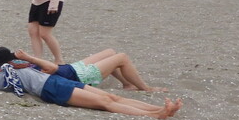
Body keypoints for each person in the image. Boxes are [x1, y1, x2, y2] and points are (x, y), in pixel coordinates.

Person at [0, 60, 182, 119]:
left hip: (56, 81)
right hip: (52, 90)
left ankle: (155, 109)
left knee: (111, 95)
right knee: (106, 103)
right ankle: (155, 115)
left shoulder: (3, 70)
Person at [13, 48, 165, 92]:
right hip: (80, 77)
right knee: (122, 57)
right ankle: (146, 88)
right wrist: (30, 58)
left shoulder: (20, 66)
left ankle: (127, 83)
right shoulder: (28, 71)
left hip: (72, 68)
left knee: (110, 52)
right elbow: (52, 68)